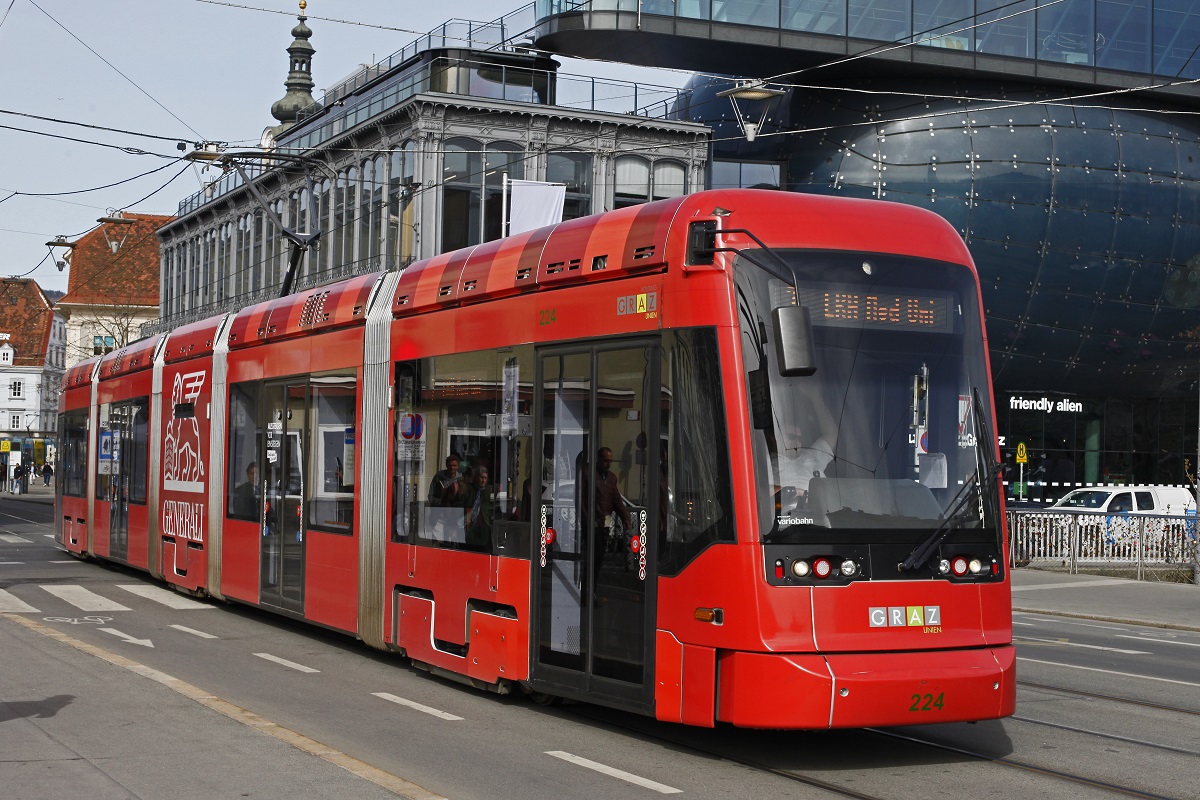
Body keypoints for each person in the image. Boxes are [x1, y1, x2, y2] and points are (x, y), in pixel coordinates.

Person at [594, 447, 631, 560]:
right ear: (599, 459)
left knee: (600, 553)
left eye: (610, 461)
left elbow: (617, 500)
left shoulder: (611, 478)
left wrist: (625, 518)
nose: (608, 464)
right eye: (606, 461)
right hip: (594, 519)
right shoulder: (592, 474)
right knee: (596, 551)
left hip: (605, 519)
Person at [460, 465, 493, 551]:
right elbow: (463, 503)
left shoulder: (487, 490)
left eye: (485, 478)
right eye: (481, 477)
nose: (483, 480)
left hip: (484, 523)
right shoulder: (469, 488)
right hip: (470, 523)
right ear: (476, 477)